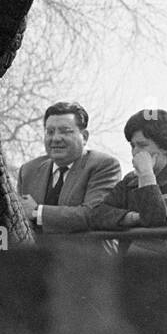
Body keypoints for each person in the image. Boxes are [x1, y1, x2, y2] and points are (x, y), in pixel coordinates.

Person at [88, 110, 167, 253]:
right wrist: (133, 218)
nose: (135, 152)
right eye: (132, 146)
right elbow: (97, 214)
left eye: (142, 145)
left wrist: (147, 175)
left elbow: (156, 220)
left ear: (164, 147)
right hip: (133, 261)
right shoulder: (130, 181)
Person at [16, 101, 120, 237]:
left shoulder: (104, 165)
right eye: (50, 132)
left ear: (84, 137)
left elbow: (94, 214)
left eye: (65, 131)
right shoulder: (28, 170)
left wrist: (37, 212)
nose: (56, 138)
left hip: (84, 251)